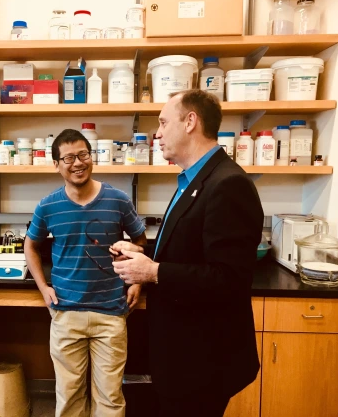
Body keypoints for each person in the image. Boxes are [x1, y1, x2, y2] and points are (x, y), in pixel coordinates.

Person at [111, 90, 264, 417]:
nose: (158, 133)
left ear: (191, 121)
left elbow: (229, 278)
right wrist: (142, 255)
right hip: (182, 358)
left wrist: (151, 272)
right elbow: (183, 247)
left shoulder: (228, 184)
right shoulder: (193, 180)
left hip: (204, 363)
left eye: (164, 122)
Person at [25, 129, 147, 417]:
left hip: (111, 313)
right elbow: (31, 247)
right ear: (56, 164)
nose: (77, 163)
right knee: (69, 397)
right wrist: (44, 288)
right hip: (66, 312)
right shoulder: (48, 206)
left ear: (91, 158)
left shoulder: (118, 200)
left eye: (83, 155)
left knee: (110, 398)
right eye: (68, 157)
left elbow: (140, 242)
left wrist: (135, 283)